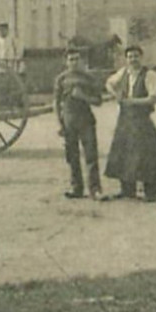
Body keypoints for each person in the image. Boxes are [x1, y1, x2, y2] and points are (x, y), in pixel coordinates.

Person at [103, 45, 156, 201]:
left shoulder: (149, 75)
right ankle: (127, 189)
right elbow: (108, 83)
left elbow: (155, 98)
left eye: (136, 56)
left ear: (141, 58)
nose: (133, 59)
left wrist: (132, 102)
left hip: (142, 119)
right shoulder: (124, 72)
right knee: (124, 152)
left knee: (146, 154)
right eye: (130, 57)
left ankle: (150, 191)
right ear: (126, 59)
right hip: (125, 119)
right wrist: (116, 94)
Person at [54, 47, 103, 199]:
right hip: (69, 121)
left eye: (77, 59)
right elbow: (56, 103)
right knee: (72, 156)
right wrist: (59, 123)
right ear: (66, 62)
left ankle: (94, 189)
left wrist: (83, 97)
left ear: (81, 61)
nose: (74, 62)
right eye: (71, 59)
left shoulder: (89, 78)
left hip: (86, 120)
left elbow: (98, 101)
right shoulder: (61, 79)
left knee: (91, 155)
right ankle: (77, 188)